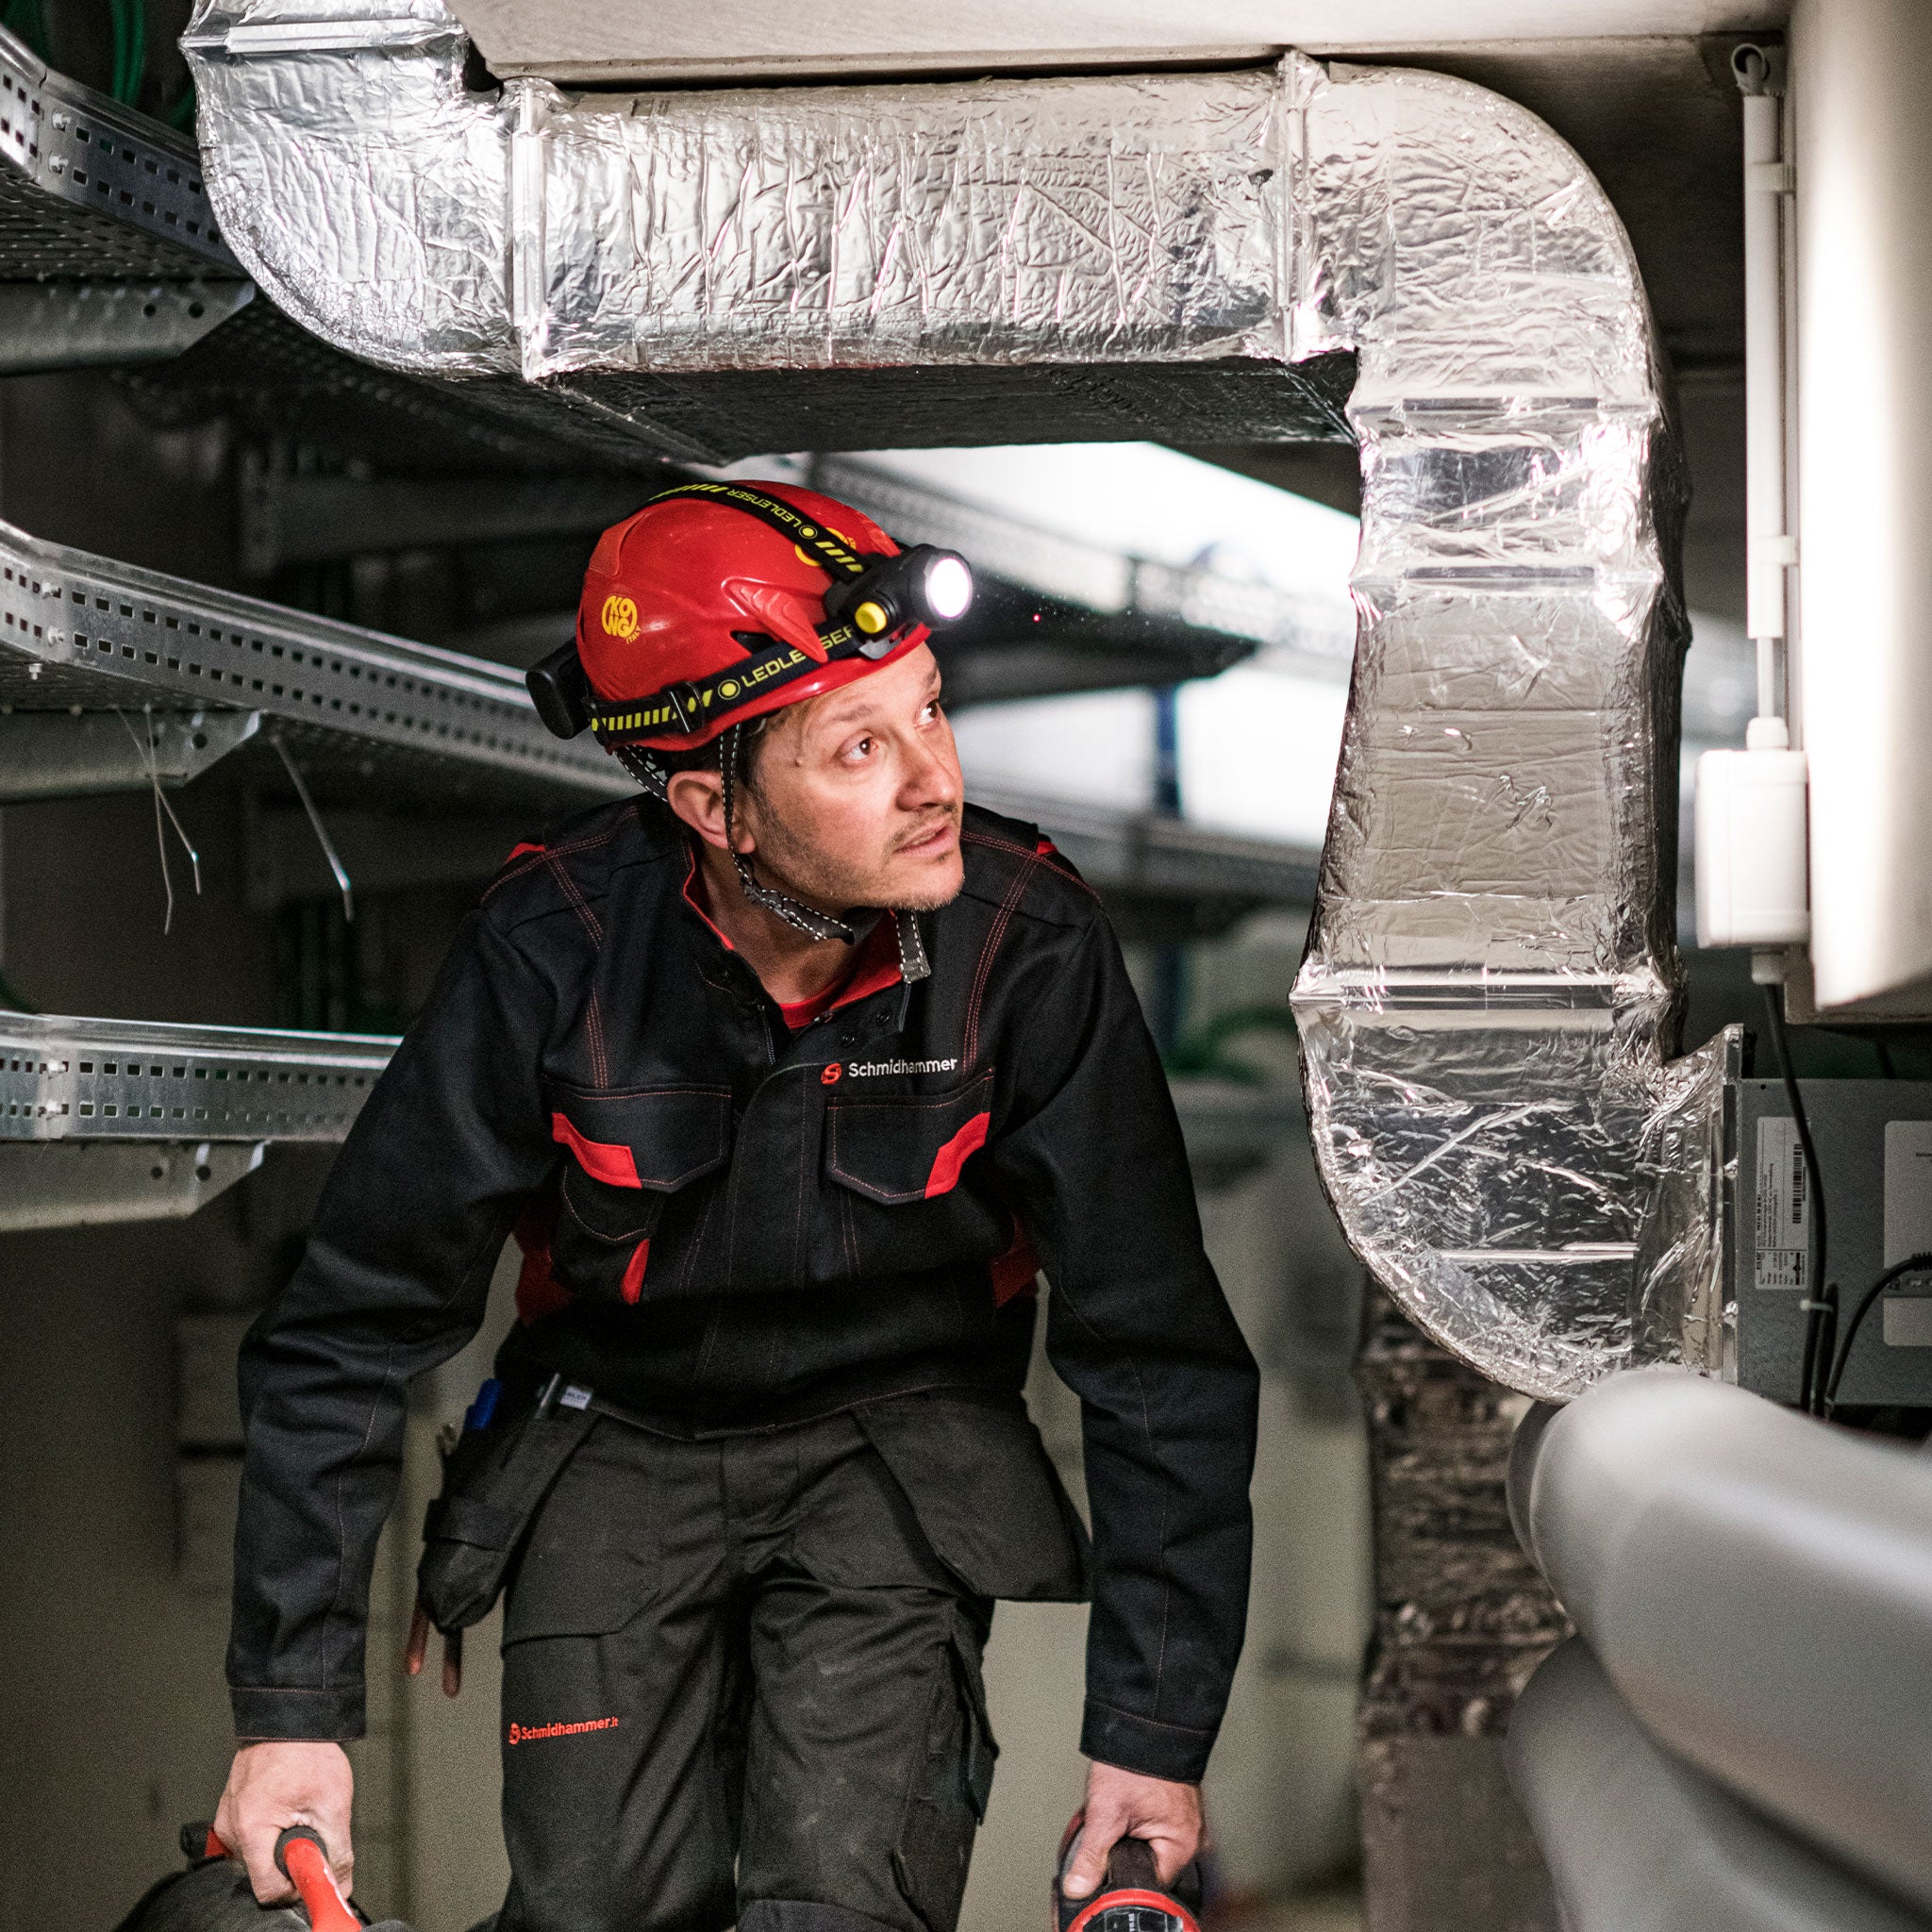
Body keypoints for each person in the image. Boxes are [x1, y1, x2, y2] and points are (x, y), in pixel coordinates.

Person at [212, 478, 1259, 1932]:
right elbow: (351, 1328)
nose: (934, 779)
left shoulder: (1025, 946)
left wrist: (1153, 1736)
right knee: (599, 1912)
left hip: (896, 1448)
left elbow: (1157, 1353)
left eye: (932, 712)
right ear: (715, 807)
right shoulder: (550, 953)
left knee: (841, 1903)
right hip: (615, 1438)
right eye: (860, 746)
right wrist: (291, 1706)